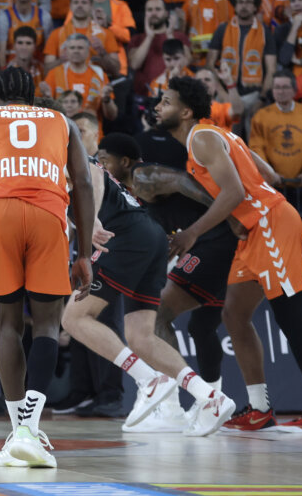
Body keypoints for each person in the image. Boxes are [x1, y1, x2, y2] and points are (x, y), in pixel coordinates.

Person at [154, 76, 302, 432]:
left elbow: (235, 191)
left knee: (289, 315)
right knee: (234, 315)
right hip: (254, 229)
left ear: (186, 111)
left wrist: (193, 232)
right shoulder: (214, 134)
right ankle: (260, 408)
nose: (158, 106)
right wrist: (240, 213)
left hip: (270, 223)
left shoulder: (202, 138)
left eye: (166, 101)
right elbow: (267, 174)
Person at [0, 66, 94, 468]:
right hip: (48, 213)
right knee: (49, 324)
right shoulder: (62, 120)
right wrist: (84, 252)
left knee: (8, 326)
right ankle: (29, 429)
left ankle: (19, 430)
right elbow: (83, 183)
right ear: (34, 99)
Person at [61, 120, 234, 437]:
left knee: (73, 317)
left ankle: (147, 380)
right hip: (150, 235)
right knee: (141, 336)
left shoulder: (64, 154)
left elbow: (94, 177)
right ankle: (210, 398)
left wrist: (93, 217)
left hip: (124, 236)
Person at [249, 71, 302, 184]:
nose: (280, 91)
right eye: (277, 87)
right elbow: (256, 148)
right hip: (273, 184)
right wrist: (269, 173)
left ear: (294, 90)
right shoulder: (261, 116)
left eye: (285, 87)